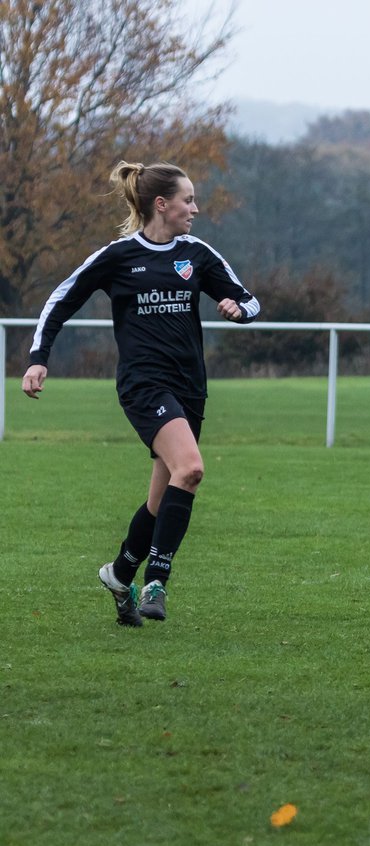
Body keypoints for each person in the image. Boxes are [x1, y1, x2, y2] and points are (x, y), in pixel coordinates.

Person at [22, 161, 261, 627]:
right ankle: (156, 581)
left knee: (161, 498)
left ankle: (119, 573)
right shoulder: (118, 256)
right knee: (190, 469)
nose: (195, 208)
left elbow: (249, 299)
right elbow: (60, 299)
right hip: (143, 386)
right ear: (161, 204)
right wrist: (38, 356)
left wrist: (237, 309)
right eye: (188, 200)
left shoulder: (196, 254)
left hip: (190, 389)